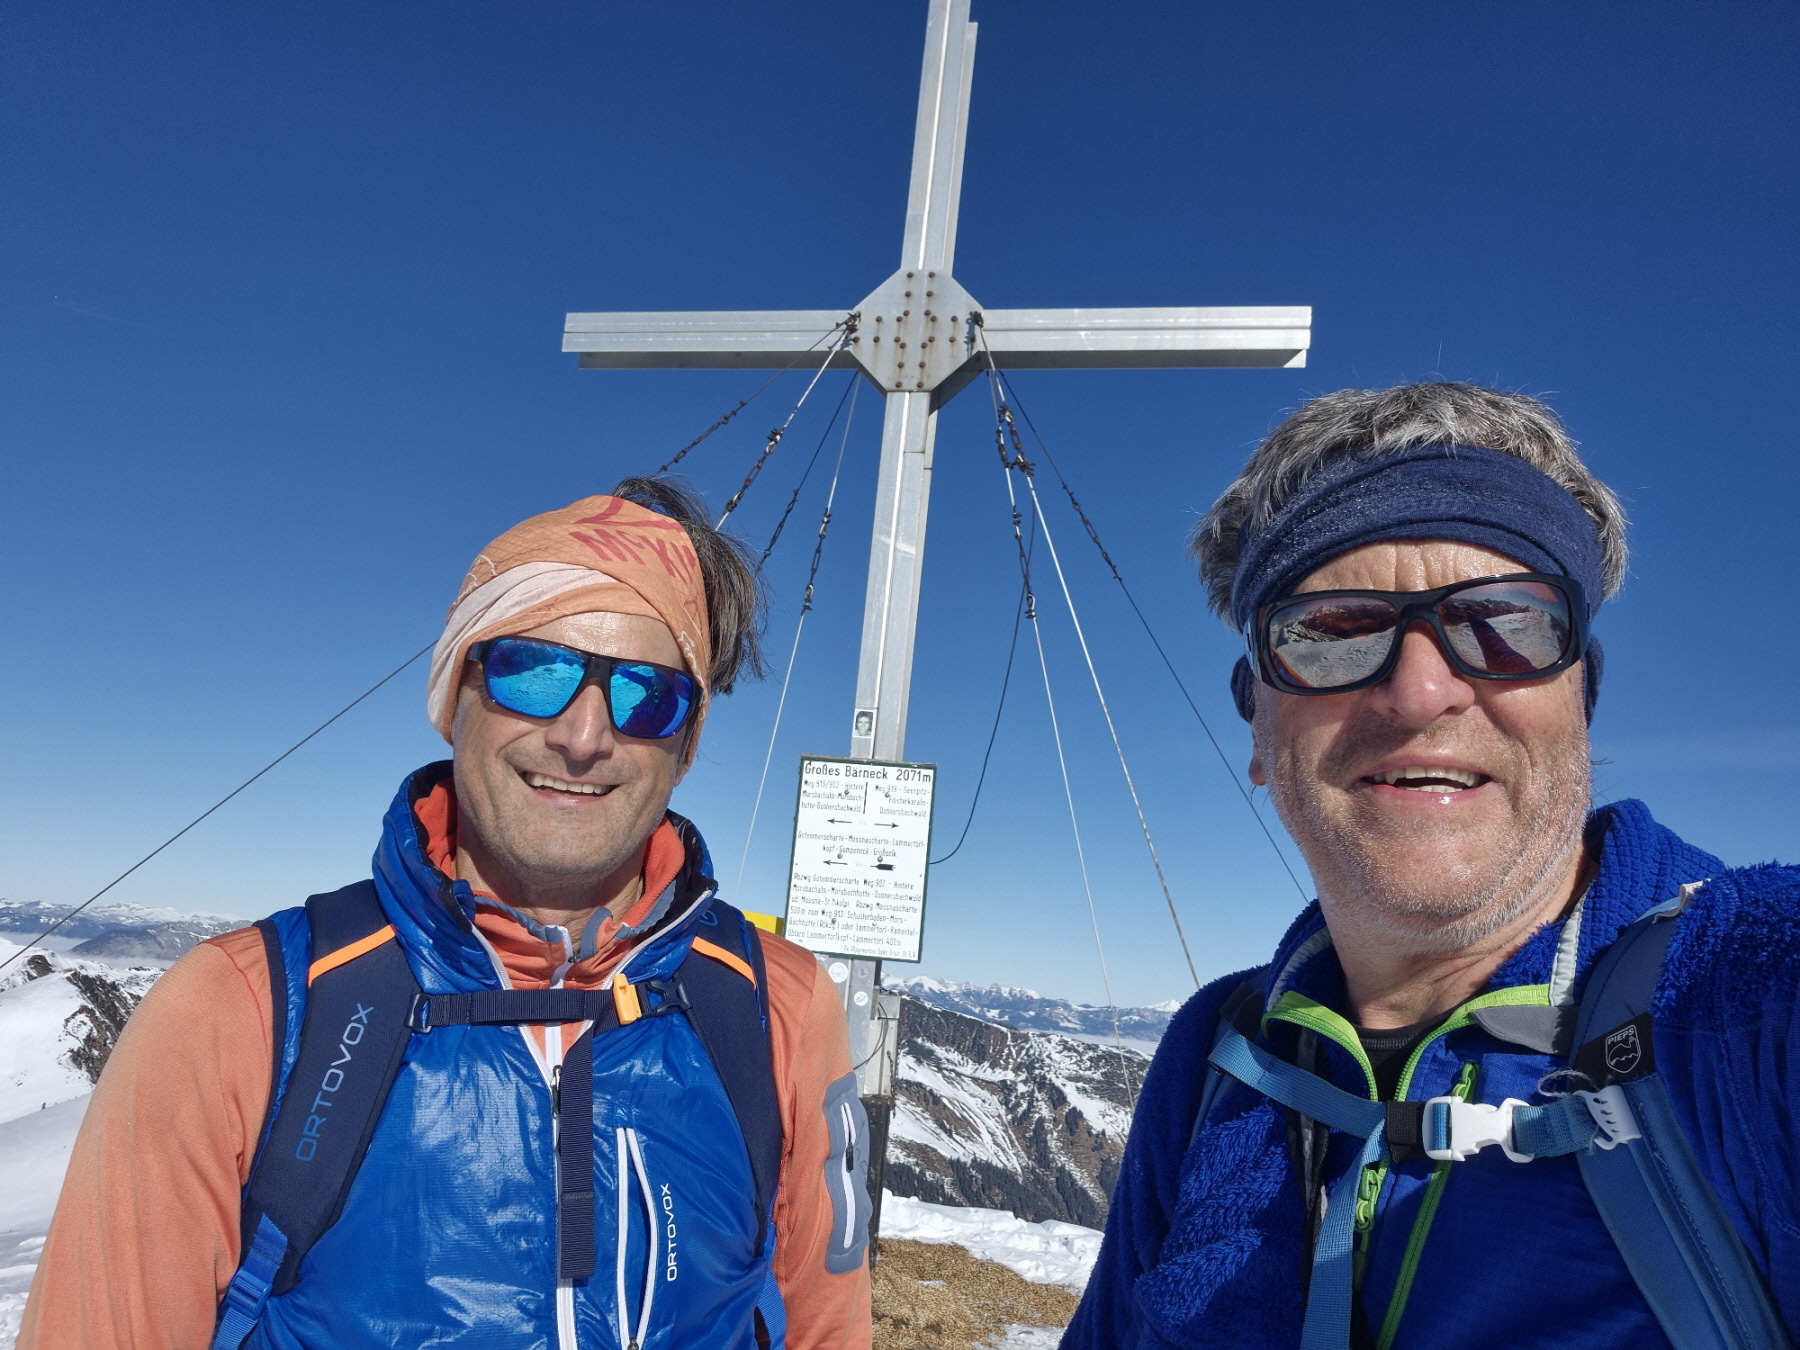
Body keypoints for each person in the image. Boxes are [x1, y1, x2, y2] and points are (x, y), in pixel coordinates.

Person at [19, 479, 873, 1349]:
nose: (583, 736)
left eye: (647, 695)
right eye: (534, 670)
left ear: (685, 746)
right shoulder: (243, 1012)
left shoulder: (776, 1009)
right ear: (453, 697)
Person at [1064, 383, 1800, 1348]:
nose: (1419, 692)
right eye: (1334, 632)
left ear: (1581, 697)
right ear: (1258, 725)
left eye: (1505, 623)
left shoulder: (1745, 1009)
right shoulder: (1220, 1053)